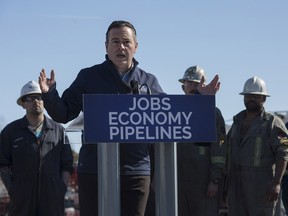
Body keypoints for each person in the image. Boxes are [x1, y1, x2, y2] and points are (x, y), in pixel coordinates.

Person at [38, 20, 221, 216]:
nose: (121, 47)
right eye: (115, 41)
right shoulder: (89, 77)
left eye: (126, 42)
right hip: (94, 170)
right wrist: (49, 94)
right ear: (106, 46)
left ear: (136, 47)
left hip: (136, 172)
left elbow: (173, 118)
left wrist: (200, 101)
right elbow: (63, 113)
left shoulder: (148, 81)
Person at [0, 80, 74, 216]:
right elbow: (2, 164)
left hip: (52, 201)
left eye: (39, 97)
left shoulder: (58, 130)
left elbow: (67, 164)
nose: (36, 101)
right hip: (21, 202)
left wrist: (61, 188)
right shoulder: (10, 132)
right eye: (31, 98)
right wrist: (13, 190)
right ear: (23, 103)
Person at [226, 76, 288, 216]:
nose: (251, 99)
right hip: (236, 186)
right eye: (248, 96)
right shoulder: (236, 123)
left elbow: (283, 153)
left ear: (264, 99)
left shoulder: (273, 123)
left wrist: (277, 183)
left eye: (256, 96)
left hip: (262, 187)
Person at [177, 65, 227, 216]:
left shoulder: (212, 113)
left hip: (204, 181)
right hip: (178, 181)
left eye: (196, 83)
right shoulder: (173, 111)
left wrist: (215, 180)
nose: (192, 87)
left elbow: (219, 149)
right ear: (183, 86)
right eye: (189, 83)